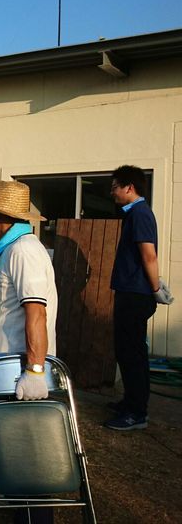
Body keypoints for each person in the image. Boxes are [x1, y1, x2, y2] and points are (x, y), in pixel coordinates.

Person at [0, 180, 56, 397]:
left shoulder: (23, 250)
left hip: (17, 367)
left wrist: (35, 371)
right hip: (7, 363)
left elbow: (37, 312)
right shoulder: (13, 248)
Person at [107, 165, 173, 431]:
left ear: (129, 187)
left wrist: (155, 288)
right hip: (129, 292)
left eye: (115, 187)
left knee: (132, 353)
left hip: (136, 294)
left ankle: (137, 413)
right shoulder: (133, 214)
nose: (112, 192)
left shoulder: (141, 214)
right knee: (127, 351)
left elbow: (149, 255)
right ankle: (130, 402)